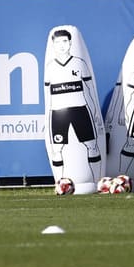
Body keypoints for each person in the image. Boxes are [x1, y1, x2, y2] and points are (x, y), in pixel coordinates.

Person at [44, 28, 104, 184]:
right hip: (58, 114)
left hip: (80, 110)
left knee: (91, 146)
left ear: (70, 42)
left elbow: (90, 89)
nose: (62, 45)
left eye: (64, 41)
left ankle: (97, 182)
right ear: (53, 45)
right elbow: (48, 96)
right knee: (57, 150)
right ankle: (61, 183)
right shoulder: (50, 67)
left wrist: (95, 112)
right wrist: (47, 118)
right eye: (58, 42)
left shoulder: (79, 63)